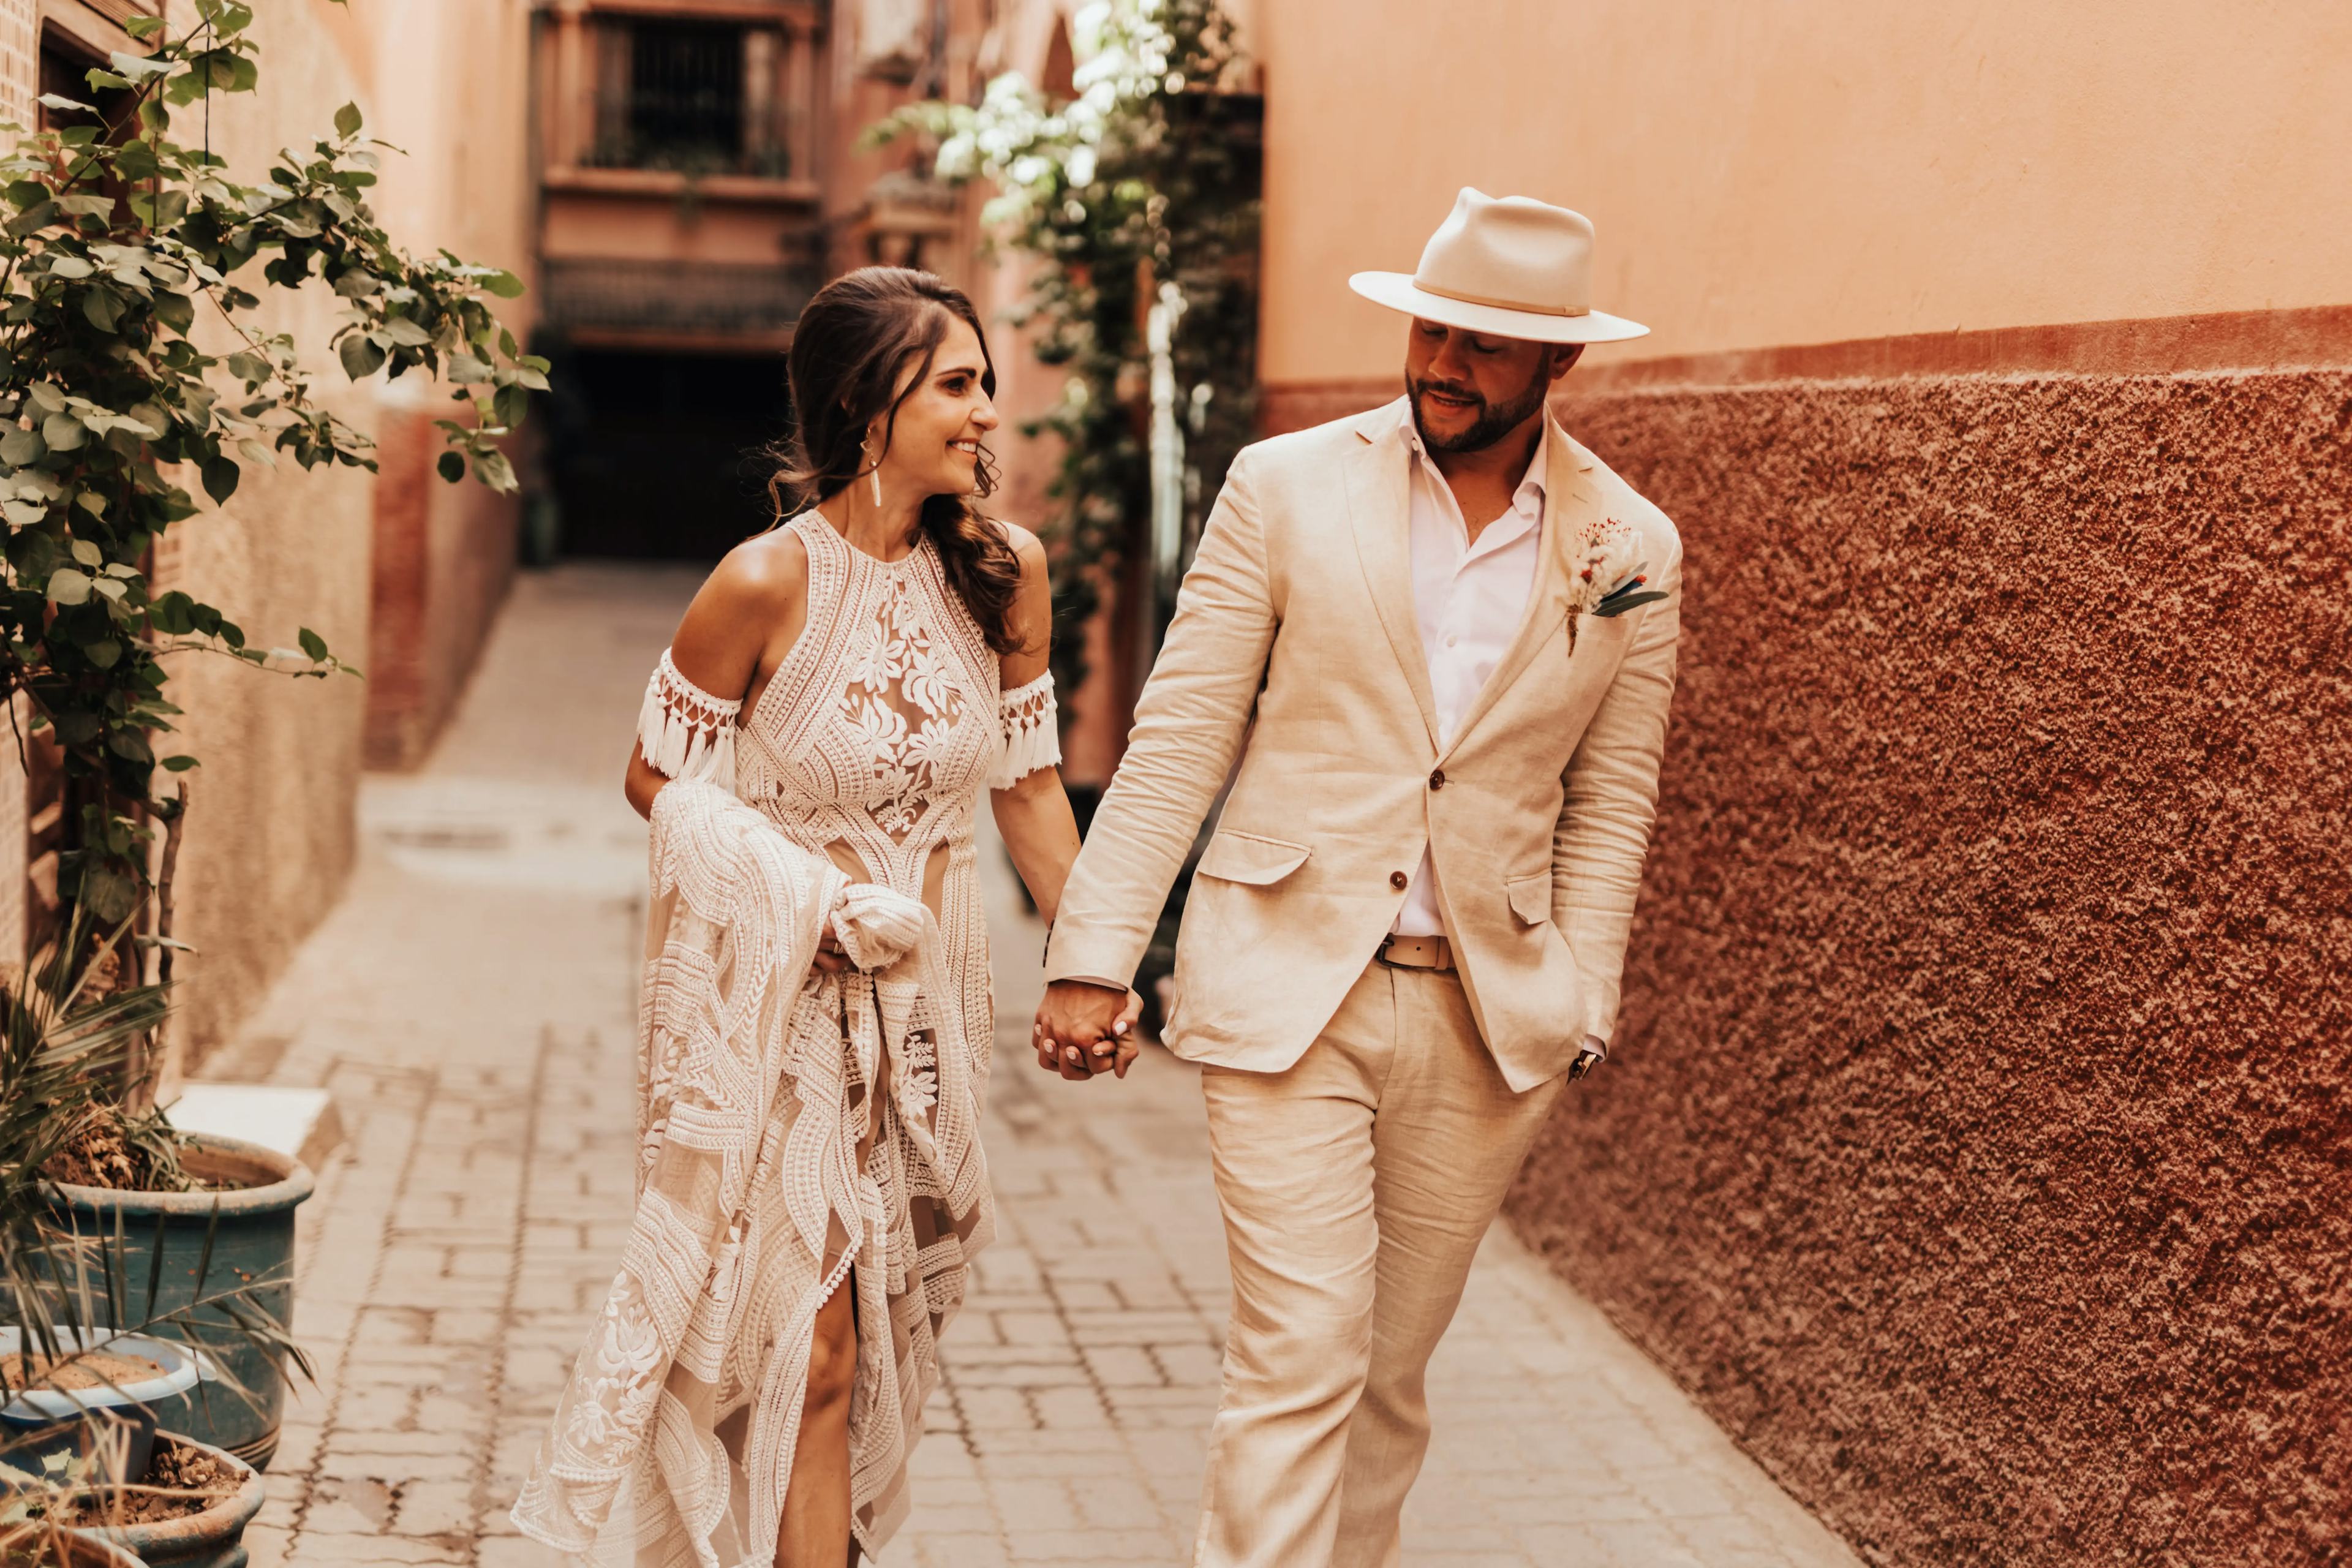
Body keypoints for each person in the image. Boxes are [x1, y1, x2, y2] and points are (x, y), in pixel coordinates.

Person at [1035, 189, 1683, 1566]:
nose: (1443, 361)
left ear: (1561, 362)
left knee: (1388, 1385)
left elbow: (1613, 794)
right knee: (1301, 1357)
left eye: (1485, 345)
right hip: (1289, 982)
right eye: (1431, 327)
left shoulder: (1633, 546)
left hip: (1484, 1012)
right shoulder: (1285, 485)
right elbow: (1180, 734)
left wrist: (1584, 989)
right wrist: (1093, 953)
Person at [511, 266, 1136, 1567]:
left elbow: (1027, 791)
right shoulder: (760, 581)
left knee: (886, 1334)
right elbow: (652, 776)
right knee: (815, 1338)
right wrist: (803, 892)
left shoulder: (1005, 573)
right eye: (957, 384)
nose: (985, 414)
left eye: (986, 386)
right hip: (784, 1000)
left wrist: (1097, 960)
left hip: (931, 1010)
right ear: (870, 406)